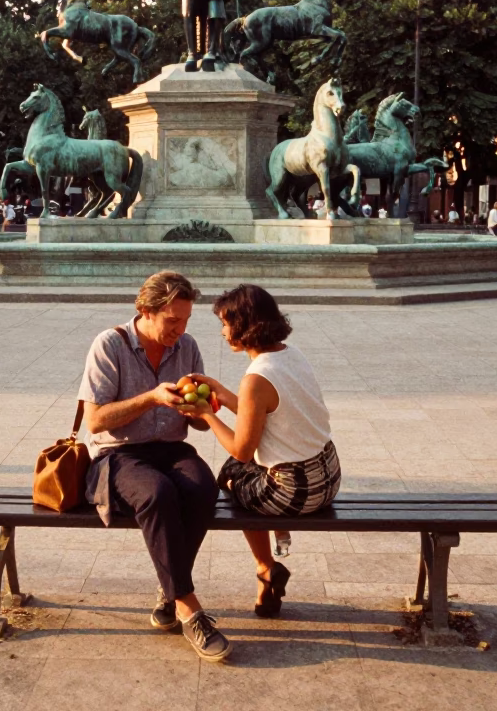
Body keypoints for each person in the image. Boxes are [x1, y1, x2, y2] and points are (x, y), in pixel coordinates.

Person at [78, 270, 229, 662]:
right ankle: (189, 609)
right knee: (157, 493)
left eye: (186, 320)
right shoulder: (109, 344)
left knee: (202, 488)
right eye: (172, 321)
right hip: (118, 454)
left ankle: (170, 590)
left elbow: (194, 424)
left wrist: (199, 409)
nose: (179, 330)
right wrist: (151, 399)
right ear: (145, 311)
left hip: (169, 450)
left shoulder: (187, 346)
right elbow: (94, 421)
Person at [183, 285, 340, 618]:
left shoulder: (256, 378)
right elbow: (267, 410)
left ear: (245, 325)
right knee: (241, 470)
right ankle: (273, 548)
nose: (223, 332)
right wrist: (220, 392)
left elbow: (241, 450)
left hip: (297, 491)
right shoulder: (290, 354)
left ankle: (265, 568)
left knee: (228, 475)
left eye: (226, 323)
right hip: (328, 474)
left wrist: (208, 414)